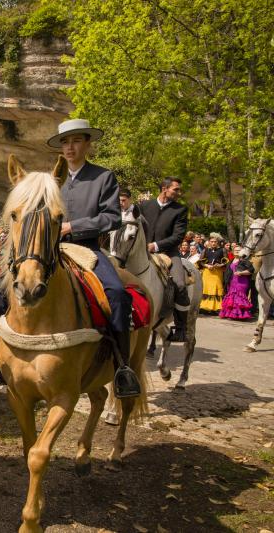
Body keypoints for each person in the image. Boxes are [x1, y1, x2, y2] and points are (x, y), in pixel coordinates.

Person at [48, 118, 140, 398]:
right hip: (51, 249)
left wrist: (72, 226)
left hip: (88, 249)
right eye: (65, 142)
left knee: (117, 295)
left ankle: (123, 367)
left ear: (88, 144)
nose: (70, 147)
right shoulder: (52, 180)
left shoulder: (103, 177)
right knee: (4, 290)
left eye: (76, 141)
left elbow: (112, 218)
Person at [139, 176, 190, 341]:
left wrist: (155, 246)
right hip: (142, 252)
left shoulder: (180, 210)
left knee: (180, 284)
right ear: (164, 189)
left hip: (169, 253)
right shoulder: (144, 206)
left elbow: (178, 236)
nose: (179, 193)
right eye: (176, 189)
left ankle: (181, 328)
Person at [220, 245, 254, 320]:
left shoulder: (244, 260)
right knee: (232, 297)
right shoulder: (231, 261)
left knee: (239, 297)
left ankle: (240, 315)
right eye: (236, 250)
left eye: (239, 250)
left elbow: (251, 270)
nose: (237, 251)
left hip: (242, 282)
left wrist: (241, 273)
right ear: (232, 251)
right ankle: (231, 314)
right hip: (232, 282)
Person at [199, 234, 228, 313]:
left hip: (217, 272)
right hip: (207, 272)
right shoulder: (205, 250)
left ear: (217, 242)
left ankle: (217, 308)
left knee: (217, 288)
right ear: (209, 242)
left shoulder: (222, 250)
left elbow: (226, 261)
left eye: (215, 241)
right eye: (211, 241)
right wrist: (206, 265)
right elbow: (200, 261)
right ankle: (204, 307)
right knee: (206, 288)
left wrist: (220, 265)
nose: (213, 243)